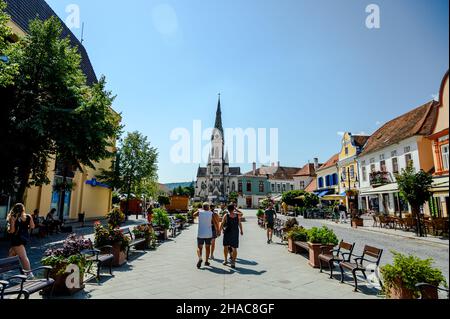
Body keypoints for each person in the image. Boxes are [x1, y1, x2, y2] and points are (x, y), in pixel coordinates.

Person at [7, 203, 35, 275]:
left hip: (16, 239)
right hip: (24, 238)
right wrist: (25, 226)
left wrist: (12, 223)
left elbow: (12, 231)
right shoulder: (28, 216)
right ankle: (5, 273)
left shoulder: (13, 217)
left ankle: (29, 274)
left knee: (23, 257)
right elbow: (32, 226)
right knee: (11, 253)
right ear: (23, 209)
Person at [193, 203, 220, 269]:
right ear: (208, 207)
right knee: (207, 248)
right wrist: (218, 231)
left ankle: (200, 258)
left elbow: (193, 215)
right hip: (208, 234)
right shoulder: (211, 213)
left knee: (199, 247)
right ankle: (206, 261)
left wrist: (200, 210)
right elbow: (215, 222)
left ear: (203, 207)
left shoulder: (199, 212)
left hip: (200, 233)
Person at [220, 204, 243, 269]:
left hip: (227, 232)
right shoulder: (237, 215)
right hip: (235, 232)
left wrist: (219, 231)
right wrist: (241, 230)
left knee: (226, 246)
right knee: (234, 248)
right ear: (233, 208)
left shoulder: (226, 215)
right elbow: (239, 223)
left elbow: (222, 223)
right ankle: (233, 262)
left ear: (228, 209)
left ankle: (225, 260)